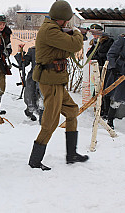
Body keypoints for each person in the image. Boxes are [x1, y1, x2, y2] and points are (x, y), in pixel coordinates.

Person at [28, 0, 89, 171]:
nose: (69, 23)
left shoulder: (54, 29)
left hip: (58, 79)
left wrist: (71, 36)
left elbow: (66, 50)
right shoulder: (49, 31)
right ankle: (35, 160)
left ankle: (72, 154)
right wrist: (77, 33)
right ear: (61, 19)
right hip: (50, 80)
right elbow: (75, 44)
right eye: (67, 19)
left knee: (72, 111)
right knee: (51, 121)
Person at [86, 24, 114, 119]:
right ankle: (100, 109)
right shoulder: (95, 43)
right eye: (93, 33)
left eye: (96, 33)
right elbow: (89, 54)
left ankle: (106, 112)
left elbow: (107, 55)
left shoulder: (108, 41)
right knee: (98, 90)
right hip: (98, 69)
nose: (95, 35)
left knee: (105, 90)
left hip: (106, 69)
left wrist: (97, 56)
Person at [14, 45, 44, 123]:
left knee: (42, 97)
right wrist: (20, 51)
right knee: (29, 96)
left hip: (45, 77)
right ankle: (29, 111)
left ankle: (42, 120)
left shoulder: (52, 49)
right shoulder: (33, 50)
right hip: (33, 77)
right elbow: (24, 62)